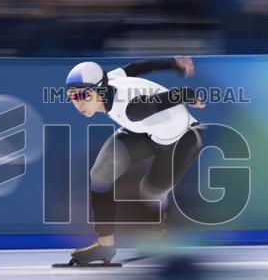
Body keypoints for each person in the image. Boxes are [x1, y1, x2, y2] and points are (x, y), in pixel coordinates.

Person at [65, 56, 205, 266]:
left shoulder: (131, 107)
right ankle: (105, 245)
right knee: (100, 175)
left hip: (182, 137)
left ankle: (161, 236)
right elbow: (136, 67)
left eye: (84, 94)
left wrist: (188, 95)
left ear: (100, 90)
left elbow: (176, 95)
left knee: (151, 192)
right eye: (72, 96)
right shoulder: (109, 79)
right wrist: (172, 63)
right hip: (144, 129)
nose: (78, 102)